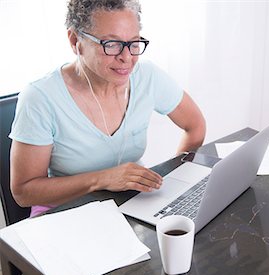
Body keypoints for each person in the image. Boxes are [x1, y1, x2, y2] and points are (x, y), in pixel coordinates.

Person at [9, 0, 206, 217]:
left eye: (133, 43)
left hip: (129, 204)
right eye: (111, 44)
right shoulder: (40, 97)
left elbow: (195, 125)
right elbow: (24, 192)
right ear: (75, 41)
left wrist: (175, 180)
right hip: (64, 214)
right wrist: (102, 179)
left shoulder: (147, 77)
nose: (127, 57)